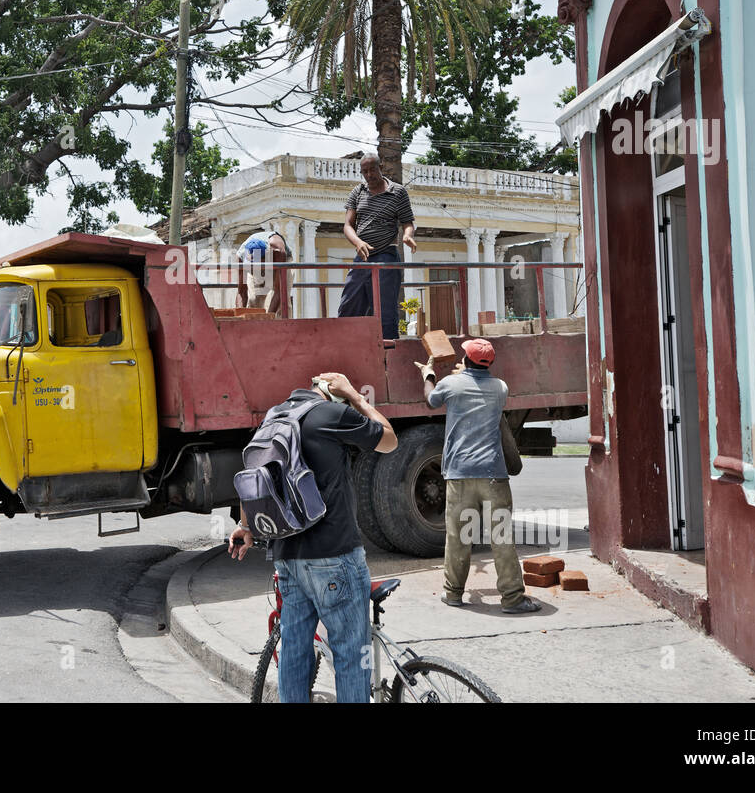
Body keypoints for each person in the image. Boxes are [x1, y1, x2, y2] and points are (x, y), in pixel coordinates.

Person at [229, 371, 398, 702]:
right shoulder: (332, 413)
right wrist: (356, 397)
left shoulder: (274, 417)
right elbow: (389, 440)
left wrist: (246, 526)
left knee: (293, 649)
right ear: (331, 395)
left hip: (287, 557)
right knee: (351, 653)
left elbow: (255, 476)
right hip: (334, 555)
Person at [418, 338, 538, 613]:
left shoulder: (450, 384)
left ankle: (453, 593)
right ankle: (512, 599)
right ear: (490, 363)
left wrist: (429, 375)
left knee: (458, 537)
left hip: (459, 475)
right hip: (493, 476)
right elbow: (480, 387)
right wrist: (466, 373)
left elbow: (430, 400)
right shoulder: (500, 388)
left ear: (467, 360)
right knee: (501, 537)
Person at [336, 155, 417, 338]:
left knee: (384, 310)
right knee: (349, 304)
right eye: (365, 171)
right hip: (362, 256)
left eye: (372, 170)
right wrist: (358, 242)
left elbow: (407, 222)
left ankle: (387, 356)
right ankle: (346, 346)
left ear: (381, 167)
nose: (369, 174)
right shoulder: (358, 192)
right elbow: (348, 225)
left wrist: (407, 235)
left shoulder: (398, 192)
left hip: (386, 255)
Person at [235, 230, 289, 315]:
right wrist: (239, 316)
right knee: (254, 301)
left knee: (283, 305)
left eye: (255, 266)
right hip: (263, 263)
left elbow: (279, 290)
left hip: (280, 262)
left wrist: (269, 317)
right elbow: (241, 291)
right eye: (250, 265)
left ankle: (280, 327)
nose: (252, 270)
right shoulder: (240, 256)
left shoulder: (278, 251)